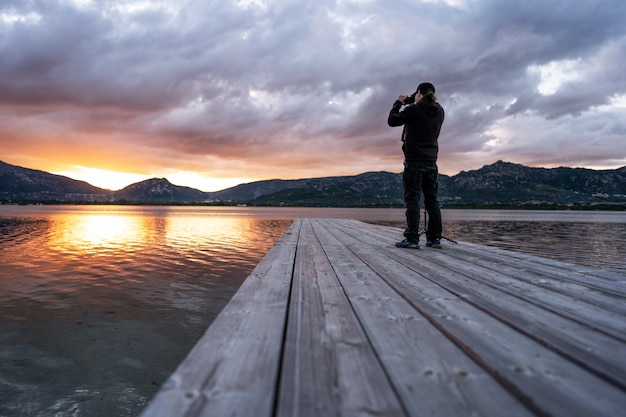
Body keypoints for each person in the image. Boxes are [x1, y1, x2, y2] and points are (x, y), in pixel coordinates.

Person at [388, 82, 445, 249]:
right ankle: (435, 239)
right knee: (432, 200)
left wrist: (399, 102)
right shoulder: (440, 111)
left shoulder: (413, 110)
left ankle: (412, 239)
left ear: (419, 93)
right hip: (431, 162)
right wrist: (413, 101)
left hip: (414, 162)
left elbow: (392, 120)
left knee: (412, 200)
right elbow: (425, 108)